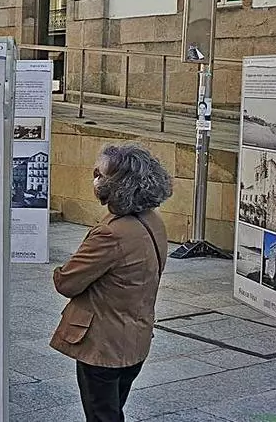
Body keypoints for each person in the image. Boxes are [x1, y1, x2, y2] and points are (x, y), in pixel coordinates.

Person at [51, 143, 172, 422]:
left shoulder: (111, 233)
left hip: (104, 345)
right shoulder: (152, 219)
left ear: (121, 184)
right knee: (112, 410)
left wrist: (61, 270)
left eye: (101, 174)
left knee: (102, 415)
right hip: (134, 339)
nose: (95, 180)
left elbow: (66, 283)